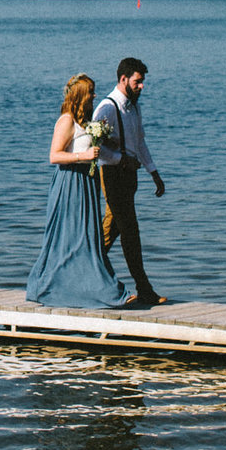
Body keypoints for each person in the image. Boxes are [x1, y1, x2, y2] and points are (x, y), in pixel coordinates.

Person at [25, 73, 133, 310]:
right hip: (70, 184)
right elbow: (54, 155)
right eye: (91, 92)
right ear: (81, 96)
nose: (95, 95)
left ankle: (94, 285)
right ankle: (66, 286)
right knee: (71, 237)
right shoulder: (66, 121)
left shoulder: (86, 122)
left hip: (87, 183)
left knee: (88, 237)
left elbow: (90, 144)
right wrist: (82, 156)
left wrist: (107, 144)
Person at [91, 57, 169, 308]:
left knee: (112, 230)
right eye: (138, 81)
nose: (142, 86)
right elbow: (95, 147)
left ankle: (85, 268)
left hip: (130, 177)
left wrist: (153, 172)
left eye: (143, 82)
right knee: (130, 231)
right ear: (123, 79)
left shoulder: (134, 106)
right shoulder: (107, 108)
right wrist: (119, 159)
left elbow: (140, 141)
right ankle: (143, 287)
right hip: (112, 175)